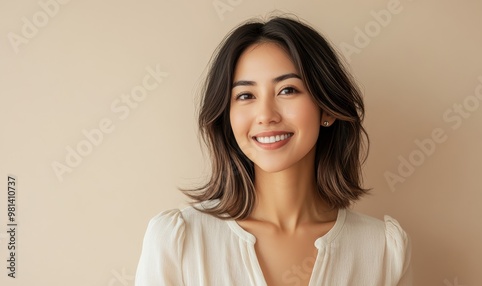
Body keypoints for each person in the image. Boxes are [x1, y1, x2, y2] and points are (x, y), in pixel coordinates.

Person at [135, 15, 412, 286]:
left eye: (287, 90)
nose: (266, 115)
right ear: (227, 116)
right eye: (245, 96)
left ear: (326, 108)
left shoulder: (384, 250)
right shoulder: (180, 241)